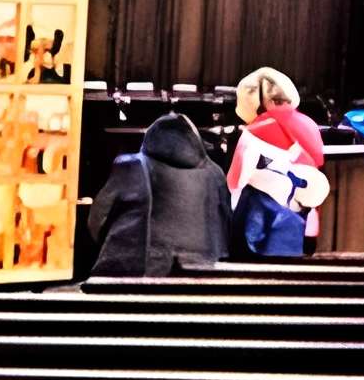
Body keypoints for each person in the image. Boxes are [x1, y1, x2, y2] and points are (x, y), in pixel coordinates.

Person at [86, 108, 226, 275]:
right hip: (203, 272)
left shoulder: (133, 165)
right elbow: (226, 222)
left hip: (135, 273)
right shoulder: (215, 173)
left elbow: (97, 219)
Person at [225, 69, 330, 258]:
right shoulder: (311, 126)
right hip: (299, 226)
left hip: (259, 229)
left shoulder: (255, 132)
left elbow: (235, 182)